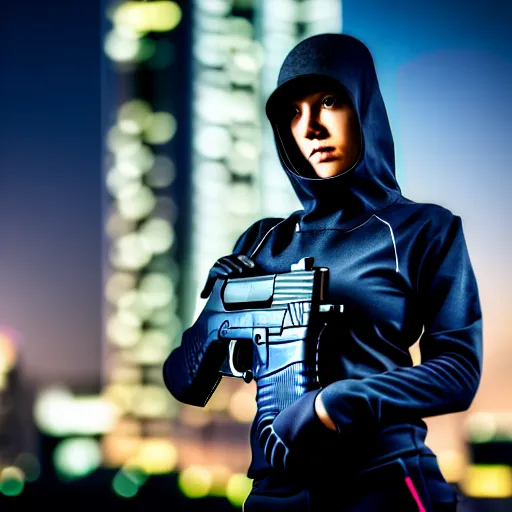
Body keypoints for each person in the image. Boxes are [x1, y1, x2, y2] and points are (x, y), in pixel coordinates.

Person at [163, 33, 482, 511]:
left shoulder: (423, 230)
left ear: (365, 109)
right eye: (293, 111)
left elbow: (458, 371)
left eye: (329, 102)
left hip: (385, 486)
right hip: (274, 493)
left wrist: (335, 403)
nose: (310, 127)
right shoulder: (262, 242)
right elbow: (185, 383)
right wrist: (212, 323)